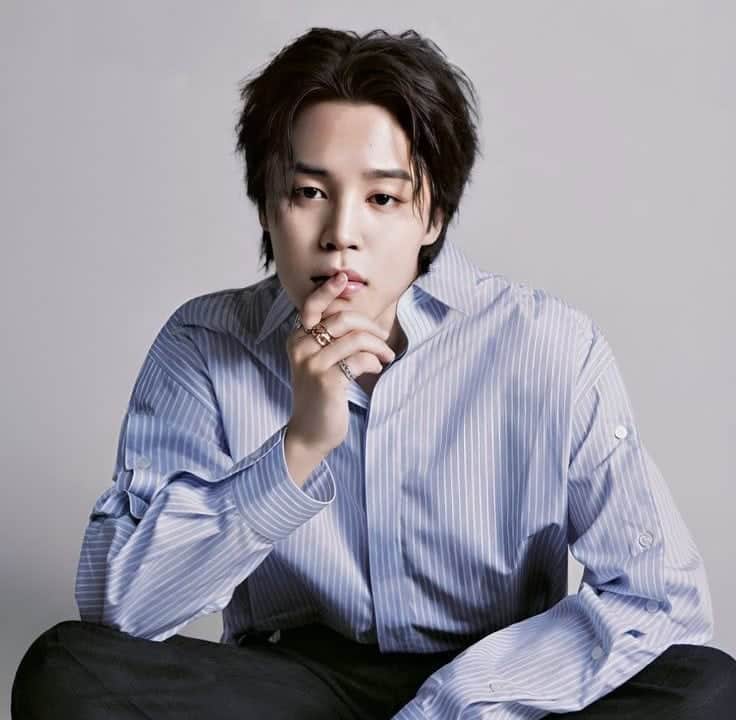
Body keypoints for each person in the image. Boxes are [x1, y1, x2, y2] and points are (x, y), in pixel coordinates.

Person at [12, 26, 736, 720]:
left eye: (382, 198)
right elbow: (121, 608)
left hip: (497, 685)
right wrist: (297, 450)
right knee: (66, 670)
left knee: (704, 689)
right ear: (267, 208)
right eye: (309, 193)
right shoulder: (203, 344)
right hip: (295, 686)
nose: (341, 235)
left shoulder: (549, 345)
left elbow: (659, 597)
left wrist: (451, 708)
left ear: (433, 217)